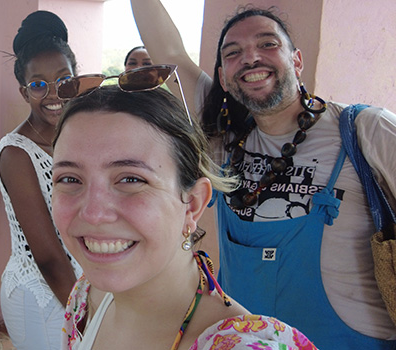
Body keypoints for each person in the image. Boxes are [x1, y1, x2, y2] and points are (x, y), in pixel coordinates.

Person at [131, 1, 396, 348]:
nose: (251, 58)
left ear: (296, 61)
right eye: (233, 52)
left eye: (268, 44)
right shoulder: (224, 140)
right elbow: (169, 52)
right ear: (224, 78)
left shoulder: (365, 130)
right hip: (245, 342)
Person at [52, 82, 316, 349]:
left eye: (131, 179)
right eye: (70, 178)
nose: (94, 213)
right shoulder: (85, 298)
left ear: (192, 203)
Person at [0, 10, 82, 349]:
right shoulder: (17, 153)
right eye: (38, 84)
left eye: (63, 79)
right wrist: (85, 318)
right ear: (24, 91)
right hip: (40, 292)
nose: (53, 93)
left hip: (78, 285)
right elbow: (46, 255)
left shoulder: (79, 134)